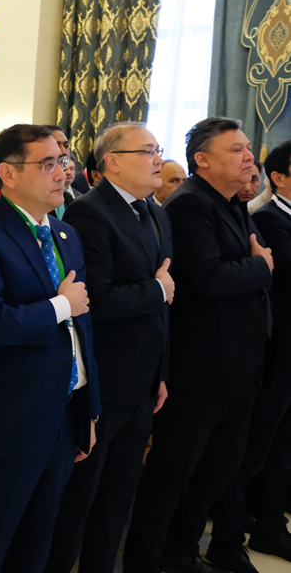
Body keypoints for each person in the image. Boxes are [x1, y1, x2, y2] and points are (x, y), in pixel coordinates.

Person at [0, 123, 100, 573]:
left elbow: (81, 329)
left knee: (35, 544)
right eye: (48, 163)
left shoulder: (65, 234)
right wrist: (58, 305)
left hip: (64, 412)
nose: (63, 173)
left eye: (62, 161)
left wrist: (88, 408)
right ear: (8, 174)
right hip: (10, 417)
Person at [123, 117, 273, 573]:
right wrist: (261, 267)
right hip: (199, 368)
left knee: (215, 471)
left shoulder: (230, 202)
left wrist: (256, 267)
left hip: (236, 366)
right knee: (173, 473)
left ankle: (181, 553)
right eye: (236, 149)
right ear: (202, 159)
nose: (249, 157)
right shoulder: (190, 204)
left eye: (248, 148)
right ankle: (147, 559)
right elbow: (208, 278)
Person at [46, 123, 174, 573]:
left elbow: (164, 307)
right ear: (113, 162)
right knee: (80, 498)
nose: (158, 159)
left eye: (158, 149)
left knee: (118, 496)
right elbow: (94, 302)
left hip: (143, 381)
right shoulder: (90, 213)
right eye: (148, 151)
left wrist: (161, 372)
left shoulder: (155, 210)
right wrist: (155, 290)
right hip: (104, 381)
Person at [208, 140, 291, 571]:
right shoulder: (269, 219)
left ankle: (270, 520)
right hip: (272, 351)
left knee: (282, 443)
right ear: (280, 178)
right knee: (254, 445)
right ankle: (233, 530)